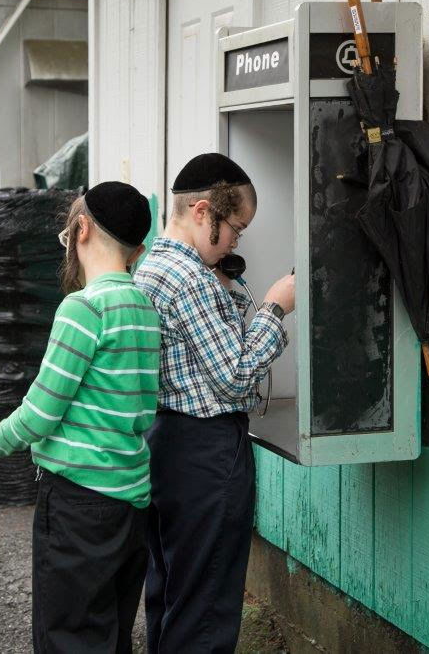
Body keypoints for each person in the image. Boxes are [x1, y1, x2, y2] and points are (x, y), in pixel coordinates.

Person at [0, 182, 160, 653]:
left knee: (70, 637)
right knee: (112, 632)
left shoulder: (83, 308)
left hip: (79, 504)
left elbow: (40, 413)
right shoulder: (143, 307)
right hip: (130, 498)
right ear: (138, 250)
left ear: (80, 229)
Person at [133, 153, 296, 653]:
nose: (236, 242)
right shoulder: (189, 279)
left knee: (172, 591)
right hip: (206, 451)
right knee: (206, 605)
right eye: (235, 230)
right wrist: (275, 306)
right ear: (203, 212)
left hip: (163, 443)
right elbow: (237, 374)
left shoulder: (153, 267)